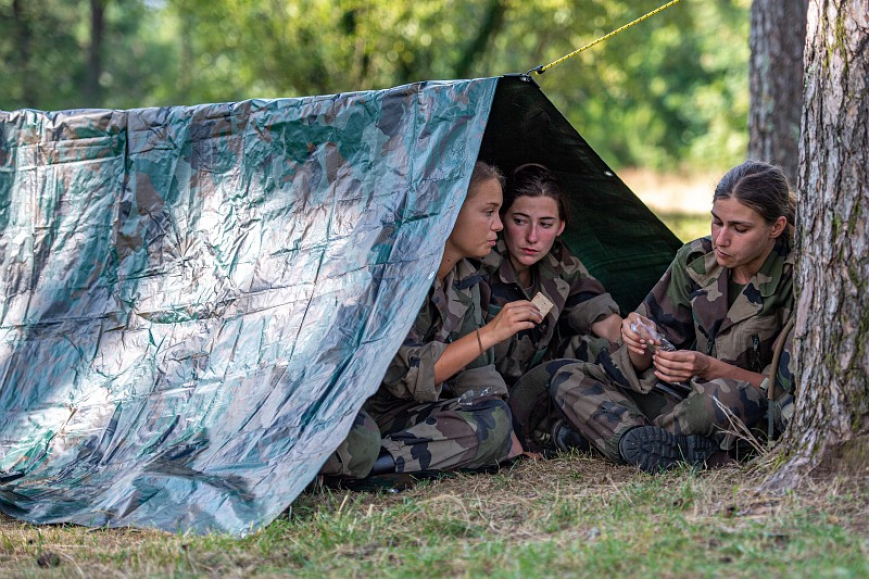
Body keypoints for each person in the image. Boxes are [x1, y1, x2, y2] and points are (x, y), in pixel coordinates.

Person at [546, 160, 795, 472]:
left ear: (776, 227)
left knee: (721, 398)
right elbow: (645, 348)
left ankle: (610, 438)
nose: (721, 240)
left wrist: (711, 369)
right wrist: (639, 345)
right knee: (569, 377)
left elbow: (787, 392)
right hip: (679, 399)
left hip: (736, 407)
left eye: (740, 229)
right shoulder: (697, 260)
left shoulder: (799, 280)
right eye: (716, 222)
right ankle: (649, 443)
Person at [336, 161, 545, 478]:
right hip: (354, 407)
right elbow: (410, 373)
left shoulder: (464, 280)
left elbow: (478, 376)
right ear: (450, 209)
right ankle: (369, 464)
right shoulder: (398, 277)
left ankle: (381, 468)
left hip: (399, 413)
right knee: (359, 443)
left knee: (494, 419)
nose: (499, 226)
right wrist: (490, 333)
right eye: (488, 212)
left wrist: (507, 443)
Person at [480, 163, 622, 453]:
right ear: (501, 219)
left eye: (545, 225)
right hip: (484, 391)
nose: (532, 237)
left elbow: (599, 313)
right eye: (520, 221)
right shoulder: (479, 264)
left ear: (560, 227)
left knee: (601, 349)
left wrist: (633, 340)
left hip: (537, 380)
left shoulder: (557, 261)